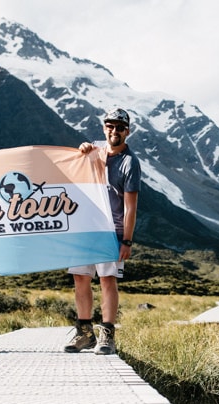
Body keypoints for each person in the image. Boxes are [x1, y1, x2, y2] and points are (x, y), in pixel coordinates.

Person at [65, 108, 141, 355]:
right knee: (80, 279)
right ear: (104, 128)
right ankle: (84, 334)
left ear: (127, 132)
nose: (114, 131)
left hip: (112, 231)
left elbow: (131, 207)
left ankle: (107, 335)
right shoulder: (94, 150)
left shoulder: (130, 163)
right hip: (85, 227)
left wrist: (127, 240)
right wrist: (82, 150)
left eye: (120, 127)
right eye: (110, 126)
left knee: (108, 281)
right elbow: (74, 166)